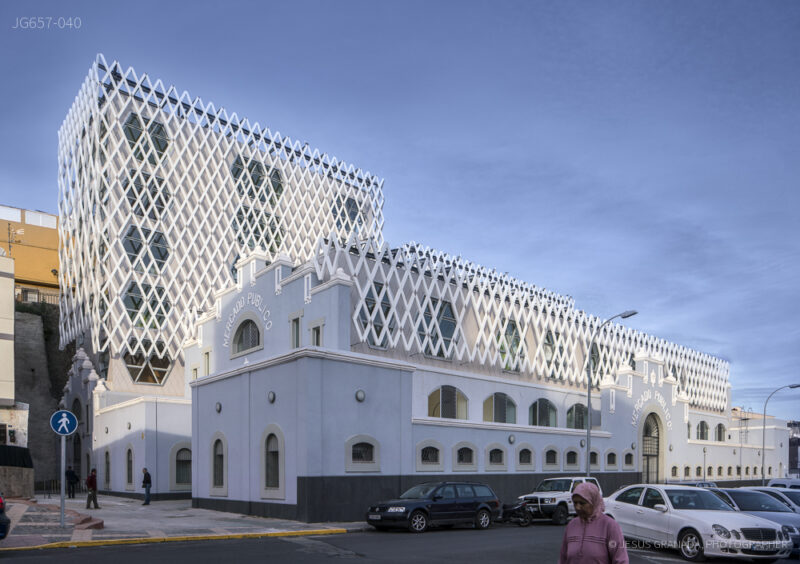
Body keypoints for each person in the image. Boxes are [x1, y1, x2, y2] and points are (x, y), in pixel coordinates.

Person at [559, 482, 628, 564]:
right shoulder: (571, 526)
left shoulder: (610, 526)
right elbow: (563, 559)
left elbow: (621, 559)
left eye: (582, 503)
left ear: (593, 501)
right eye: (575, 503)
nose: (577, 507)